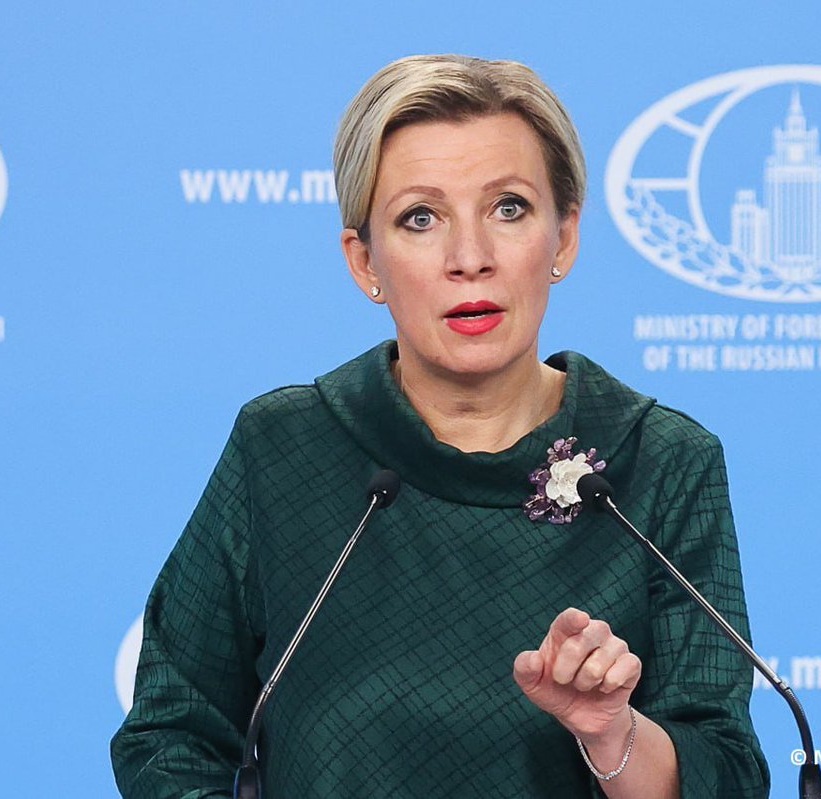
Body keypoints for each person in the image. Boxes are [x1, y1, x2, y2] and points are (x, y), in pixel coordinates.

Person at [111, 54, 770, 798]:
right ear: (365, 261)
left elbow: (727, 776)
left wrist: (612, 732)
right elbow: (170, 733)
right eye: (420, 218)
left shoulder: (660, 462)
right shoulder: (284, 449)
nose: (470, 259)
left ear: (563, 237)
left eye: (509, 208)